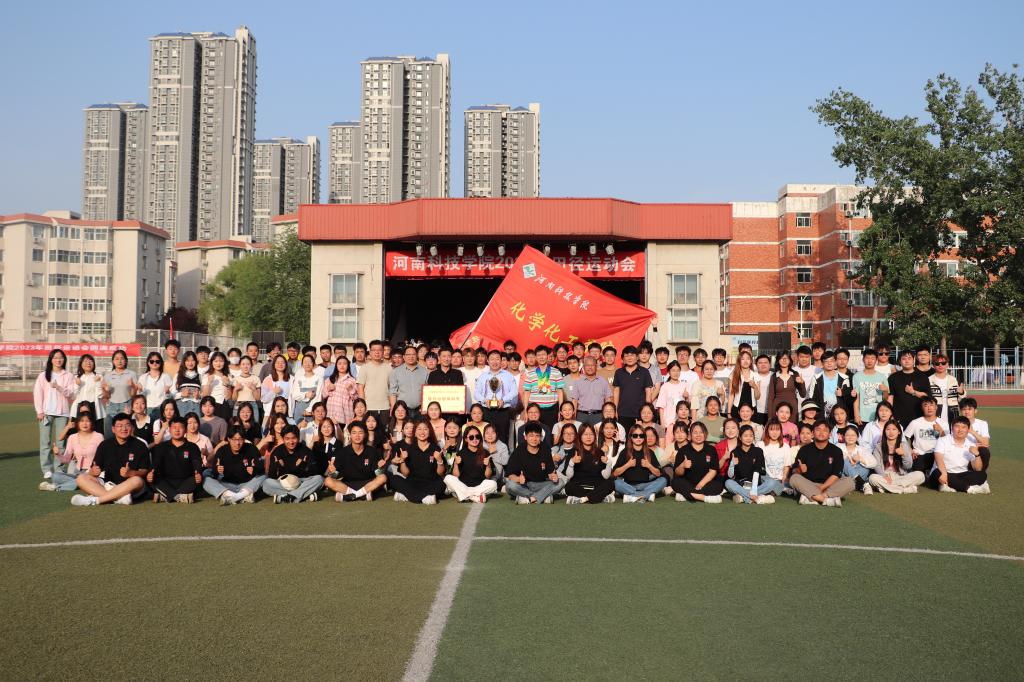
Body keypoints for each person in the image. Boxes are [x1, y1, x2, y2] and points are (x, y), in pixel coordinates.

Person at [70, 413, 150, 506]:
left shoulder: (140, 445)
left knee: (137, 480)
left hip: (129, 486)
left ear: (132, 427)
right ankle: (118, 499)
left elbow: (144, 471)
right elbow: (94, 469)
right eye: (119, 426)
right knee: (81, 478)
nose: (124, 429)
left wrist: (131, 473)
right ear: (113, 429)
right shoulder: (105, 445)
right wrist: (93, 471)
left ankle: (96, 500)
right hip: (108, 484)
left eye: (127, 425)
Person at [35, 349, 77, 484]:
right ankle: (46, 469)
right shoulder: (43, 376)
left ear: (64, 360)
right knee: (45, 442)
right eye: (55, 357)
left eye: (61, 358)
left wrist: (58, 387)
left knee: (61, 443)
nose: (58, 360)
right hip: (46, 413)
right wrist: (39, 411)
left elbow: (71, 394)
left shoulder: (68, 375)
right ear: (51, 360)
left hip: (62, 413)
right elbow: (38, 393)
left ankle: (59, 468)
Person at [790, 420, 855, 506]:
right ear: (813, 433)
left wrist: (822, 487)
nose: (821, 433)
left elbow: (836, 474)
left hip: (829, 486)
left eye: (825, 430)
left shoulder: (836, 451)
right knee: (794, 478)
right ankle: (825, 500)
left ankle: (814, 497)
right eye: (818, 430)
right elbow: (794, 471)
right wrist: (799, 470)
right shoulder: (804, 450)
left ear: (830, 434)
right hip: (809, 484)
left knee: (850, 482)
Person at [322, 420, 388, 502]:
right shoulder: (342, 452)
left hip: (367, 484)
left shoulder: (372, 451)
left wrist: (380, 468)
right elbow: (335, 476)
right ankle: (362, 495)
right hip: (347, 485)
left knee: (383, 477)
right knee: (328, 480)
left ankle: (350, 496)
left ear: (365, 435)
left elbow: (378, 474)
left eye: (360, 433)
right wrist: (332, 472)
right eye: (354, 433)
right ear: (350, 435)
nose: (357, 436)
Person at [504, 421, 565, 504]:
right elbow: (510, 476)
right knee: (510, 485)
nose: (534, 439)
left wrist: (553, 477)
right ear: (525, 437)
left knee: (560, 483)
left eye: (537, 436)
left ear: (540, 437)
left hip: (541, 484)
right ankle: (542, 497)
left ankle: (529, 498)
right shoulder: (519, 450)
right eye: (531, 436)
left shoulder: (545, 449)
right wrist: (518, 479)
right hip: (524, 485)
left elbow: (551, 473)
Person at [43, 412, 104, 492]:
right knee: (55, 476)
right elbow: (66, 460)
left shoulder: (98, 437)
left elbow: (104, 457)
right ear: (77, 423)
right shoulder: (72, 437)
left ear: (92, 423)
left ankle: (56, 487)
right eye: (82, 421)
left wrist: (93, 470)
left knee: (81, 480)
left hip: (91, 473)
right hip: (77, 472)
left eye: (87, 421)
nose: (84, 424)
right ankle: (78, 484)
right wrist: (57, 454)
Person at [204, 426, 267, 504]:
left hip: (247, 484)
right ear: (229, 439)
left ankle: (235, 497)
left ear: (244, 439)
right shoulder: (222, 450)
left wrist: (255, 469)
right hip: (226, 485)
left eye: (240, 439)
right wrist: (217, 469)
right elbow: (214, 470)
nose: (237, 443)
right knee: (206, 477)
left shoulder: (251, 448)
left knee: (263, 476)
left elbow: (261, 466)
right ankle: (235, 495)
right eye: (234, 439)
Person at [146, 417, 202, 503]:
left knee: (197, 479)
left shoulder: (192, 447)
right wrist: (150, 473)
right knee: (152, 478)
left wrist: (198, 473)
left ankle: (167, 495)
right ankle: (179, 497)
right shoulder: (161, 447)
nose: (177, 430)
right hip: (166, 481)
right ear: (169, 430)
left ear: (185, 430)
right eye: (174, 427)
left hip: (186, 481)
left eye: (180, 427)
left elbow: (196, 462)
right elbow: (156, 463)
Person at [390, 420, 447, 504]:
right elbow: (405, 473)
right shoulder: (409, 449)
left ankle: (408, 496)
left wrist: (439, 460)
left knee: (442, 484)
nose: (422, 432)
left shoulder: (435, 448)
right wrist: (402, 460)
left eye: (425, 429)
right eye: (419, 429)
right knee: (394, 479)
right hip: (412, 483)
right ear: (415, 433)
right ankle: (425, 497)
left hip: (430, 483)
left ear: (429, 432)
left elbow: (440, 473)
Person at [262, 426, 323, 503]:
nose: (291, 442)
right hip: (283, 483)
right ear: (283, 439)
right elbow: (272, 476)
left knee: (319, 479)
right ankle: (301, 495)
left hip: (301, 482)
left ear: (298, 438)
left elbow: (314, 473)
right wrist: (277, 466)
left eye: (293, 438)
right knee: (266, 484)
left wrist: (304, 466)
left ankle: (288, 497)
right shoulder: (277, 452)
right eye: (287, 439)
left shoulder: (306, 450)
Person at [930, 416, 990, 494]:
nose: (960, 430)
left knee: (982, 475)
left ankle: (949, 485)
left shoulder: (970, 444)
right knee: (937, 473)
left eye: (963, 427)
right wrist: (944, 474)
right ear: (952, 428)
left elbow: (977, 468)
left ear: (968, 430)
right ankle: (969, 489)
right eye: (957, 426)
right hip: (943, 472)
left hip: (961, 474)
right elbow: (939, 459)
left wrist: (977, 454)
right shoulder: (942, 440)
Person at [611, 425, 667, 503]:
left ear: (644, 437)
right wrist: (627, 465)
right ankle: (647, 495)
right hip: (628, 485)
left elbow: (658, 473)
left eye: (641, 436)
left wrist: (649, 466)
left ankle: (632, 496)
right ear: (631, 437)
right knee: (616, 483)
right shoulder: (625, 452)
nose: (638, 438)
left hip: (646, 485)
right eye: (635, 435)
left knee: (663, 480)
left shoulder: (650, 452)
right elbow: (615, 473)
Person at [443, 425, 498, 503]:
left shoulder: (485, 453)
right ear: (466, 439)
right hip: (463, 485)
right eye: (471, 437)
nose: (475, 439)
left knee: (493, 484)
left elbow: (488, 476)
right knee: (448, 478)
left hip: (480, 485)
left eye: (477, 436)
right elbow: (456, 476)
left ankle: (465, 495)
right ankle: (475, 497)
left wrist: (488, 465)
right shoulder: (460, 453)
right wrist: (456, 464)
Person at [671, 422, 724, 503]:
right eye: (695, 432)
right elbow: (678, 472)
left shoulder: (711, 449)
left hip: (706, 483)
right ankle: (704, 498)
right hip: (688, 482)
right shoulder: (683, 450)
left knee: (719, 484)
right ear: (690, 435)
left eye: (701, 432)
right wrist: (682, 465)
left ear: (705, 434)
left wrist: (700, 485)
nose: (698, 435)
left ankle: (686, 495)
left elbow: (713, 471)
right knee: (675, 482)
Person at [563, 423, 615, 504]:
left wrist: (608, 463)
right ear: (580, 436)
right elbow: (569, 476)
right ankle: (599, 497)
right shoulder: (573, 452)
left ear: (595, 436)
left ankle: (584, 499)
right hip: (579, 485)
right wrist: (572, 462)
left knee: (610, 484)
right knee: (569, 487)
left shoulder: (600, 452)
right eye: (585, 434)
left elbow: (605, 476)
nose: (588, 437)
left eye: (591, 434)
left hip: (596, 485)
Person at [868, 420, 925, 494]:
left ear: (899, 432)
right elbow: (877, 465)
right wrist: (884, 476)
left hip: (901, 476)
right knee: (872, 478)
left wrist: (903, 455)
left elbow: (908, 466)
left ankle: (887, 488)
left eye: (894, 429)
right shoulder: (879, 447)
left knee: (920, 475)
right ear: (884, 432)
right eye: (888, 429)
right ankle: (904, 490)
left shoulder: (904, 445)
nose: (891, 432)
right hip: (885, 476)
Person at [473, 349, 518, 442]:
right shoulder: (483, 376)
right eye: (492, 359)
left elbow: (514, 391)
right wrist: (485, 400)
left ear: (501, 361)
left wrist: (503, 400)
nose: (494, 362)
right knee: (486, 438)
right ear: (488, 361)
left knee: (502, 437)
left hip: (503, 411)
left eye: (497, 359)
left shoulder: (508, 375)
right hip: (486, 411)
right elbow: (476, 393)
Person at [724, 425, 776, 504]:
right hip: (740, 485)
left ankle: (744, 497)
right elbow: (731, 476)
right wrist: (732, 465)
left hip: (755, 486)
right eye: (745, 436)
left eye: (751, 436)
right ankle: (755, 498)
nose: (748, 438)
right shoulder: (735, 452)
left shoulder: (758, 451)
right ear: (740, 437)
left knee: (772, 482)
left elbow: (758, 471)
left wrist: (754, 490)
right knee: (728, 483)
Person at [520, 345, 565, 430]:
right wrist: (526, 410)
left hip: (552, 410)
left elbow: (560, 392)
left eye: (543, 354)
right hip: (535, 411)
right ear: (536, 357)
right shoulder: (530, 374)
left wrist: (560, 409)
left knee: (550, 434)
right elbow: (526, 393)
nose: (541, 357)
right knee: (535, 434)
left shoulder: (556, 372)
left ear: (547, 356)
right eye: (539, 355)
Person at [611, 346, 654, 430]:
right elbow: (616, 392)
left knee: (639, 436)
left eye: (632, 355)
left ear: (637, 357)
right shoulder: (619, 372)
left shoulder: (644, 372)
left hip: (640, 413)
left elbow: (648, 392)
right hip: (622, 413)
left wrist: (647, 411)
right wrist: (615, 410)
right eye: (626, 355)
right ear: (623, 359)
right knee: (623, 436)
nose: (629, 358)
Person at [888, 349, 930, 428]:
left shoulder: (922, 377)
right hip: (898, 417)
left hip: (918, 417)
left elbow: (927, 397)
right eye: (904, 359)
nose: (907, 361)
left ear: (914, 360)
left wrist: (913, 392)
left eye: (909, 358)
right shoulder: (893, 378)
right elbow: (890, 397)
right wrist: (890, 415)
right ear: (900, 361)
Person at [101, 349, 137, 436]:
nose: (119, 361)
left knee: (125, 433)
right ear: (113, 361)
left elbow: (134, 394)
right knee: (109, 434)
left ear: (126, 360)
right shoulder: (108, 376)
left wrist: (132, 385)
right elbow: (106, 396)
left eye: (122, 358)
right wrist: (104, 389)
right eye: (116, 359)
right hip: (111, 406)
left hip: (126, 405)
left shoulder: (131, 374)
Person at [570, 356, 613, 429]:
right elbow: (574, 401)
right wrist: (573, 417)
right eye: (587, 365)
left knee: (598, 434)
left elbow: (608, 399)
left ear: (596, 366)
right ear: (583, 367)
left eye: (592, 365)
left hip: (598, 415)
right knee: (580, 434)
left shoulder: (603, 381)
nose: (590, 367)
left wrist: (608, 415)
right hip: (581, 415)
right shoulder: (578, 382)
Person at [357, 339, 392, 425]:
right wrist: (363, 406)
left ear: (383, 352)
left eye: (379, 350)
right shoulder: (364, 368)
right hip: (369, 407)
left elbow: (391, 388)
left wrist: (391, 405)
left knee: (384, 430)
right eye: (374, 350)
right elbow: (360, 388)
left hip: (385, 407)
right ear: (370, 352)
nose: (377, 352)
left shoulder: (389, 368)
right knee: (370, 430)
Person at [851, 348, 890, 426]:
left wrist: (885, 390)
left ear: (876, 360)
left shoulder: (882, 377)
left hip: (878, 417)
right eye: (867, 358)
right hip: (862, 417)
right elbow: (856, 398)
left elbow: (885, 399)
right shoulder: (857, 376)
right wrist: (856, 414)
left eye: (872, 358)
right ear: (863, 360)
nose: (869, 361)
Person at [389, 345, 428, 417]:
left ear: (417, 356)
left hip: (420, 410)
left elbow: (427, 392)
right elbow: (392, 392)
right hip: (402, 409)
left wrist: (425, 407)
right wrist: (394, 408)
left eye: (413, 354)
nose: (411, 357)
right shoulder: (396, 371)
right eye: (408, 355)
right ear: (404, 357)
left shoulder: (424, 371)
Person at [810, 351, 852, 416]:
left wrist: (843, 393)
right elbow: (811, 397)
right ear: (822, 363)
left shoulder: (844, 378)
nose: (829, 363)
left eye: (831, 361)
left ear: (835, 362)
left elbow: (848, 398)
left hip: (839, 415)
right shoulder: (816, 378)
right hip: (821, 414)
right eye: (826, 361)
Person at [766, 351, 806, 420]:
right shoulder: (774, 376)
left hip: (792, 408)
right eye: (782, 358)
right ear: (778, 360)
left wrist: (802, 383)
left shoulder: (795, 374)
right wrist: (770, 416)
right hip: (777, 408)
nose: (784, 360)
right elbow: (770, 397)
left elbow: (803, 394)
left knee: (791, 426)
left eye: (786, 358)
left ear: (790, 360)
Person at [838, 424, 876, 493]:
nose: (850, 437)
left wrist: (860, 460)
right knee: (844, 461)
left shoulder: (861, 449)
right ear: (844, 436)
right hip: (843, 474)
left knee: (865, 469)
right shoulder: (839, 446)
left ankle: (851, 485)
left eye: (853, 435)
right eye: (847, 435)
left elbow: (874, 463)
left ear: (857, 437)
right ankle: (862, 484)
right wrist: (846, 459)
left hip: (859, 472)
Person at [929, 354, 962, 431]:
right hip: (935, 412)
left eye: (943, 363)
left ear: (947, 364)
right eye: (937, 364)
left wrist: (961, 393)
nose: (940, 365)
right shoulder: (929, 380)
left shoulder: (954, 380)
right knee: (935, 434)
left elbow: (961, 399)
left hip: (952, 412)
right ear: (933, 365)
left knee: (952, 434)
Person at [70, 354, 106, 424]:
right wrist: (77, 385)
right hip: (78, 409)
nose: (88, 363)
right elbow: (73, 396)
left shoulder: (98, 376)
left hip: (95, 410)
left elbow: (100, 395)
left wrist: (98, 382)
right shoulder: (77, 377)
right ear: (81, 364)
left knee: (95, 430)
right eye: (85, 361)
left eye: (91, 361)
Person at [138, 352, 174, 420]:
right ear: (148, 363)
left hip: (162, 408)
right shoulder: (143, 377)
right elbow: (140, 396)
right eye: (152, 361)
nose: (154, 363)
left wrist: (168, 392)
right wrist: (140, 391)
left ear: (161, 363)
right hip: (148, 409)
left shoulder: (166, 377)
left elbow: (171, 396)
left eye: (157, 361)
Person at [322, 355, 358, 426]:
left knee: (344, 432)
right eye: (339, 363)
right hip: (331, 413)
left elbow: (356, 398)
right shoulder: (330, 379)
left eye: (344, 363)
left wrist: (351, 390)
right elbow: (323, 395)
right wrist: (328, 389)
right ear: (336, 366)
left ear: (348, 366)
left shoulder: (352, 380)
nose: (342, 366)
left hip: (345, 415)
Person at [959, 398, 991, 470]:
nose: (967, 412)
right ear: (961, 411)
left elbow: (986, 443)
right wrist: (974, 445)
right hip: (963, 451)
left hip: (976, 452)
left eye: (969, 409)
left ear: (975, 411)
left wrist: (972, 432)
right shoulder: (957, 424)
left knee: (984, 450)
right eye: (964, 409)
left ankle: (981, 474)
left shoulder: (982, 423)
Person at [202, 351, 235, 421]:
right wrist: (209, 382)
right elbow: (205, 395)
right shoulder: (207, 375)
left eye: (221, 361)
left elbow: (229, 397)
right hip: (211, 406)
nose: (218, 363)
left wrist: (227, 385)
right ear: (212, 362)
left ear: (225, 362)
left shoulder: (228, 376)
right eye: (216, 361)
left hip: (224, 406)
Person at [727, 351, 761, 418]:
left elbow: (757, 397)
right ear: (739, 361)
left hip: (751, 410)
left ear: (751, 361)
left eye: (748, 358)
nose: (745, 361)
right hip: (736, 409)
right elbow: (731, 395)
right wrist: (729, 413)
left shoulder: (756, 376)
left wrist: (755, 386)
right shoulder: (734, 375)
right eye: (742, 359)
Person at [261, 355, 292, 424]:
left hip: (287, 414)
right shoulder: (268, 379)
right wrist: (273, 392)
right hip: (271, 415)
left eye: (282, 362)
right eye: (277, 362)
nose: (280, 364)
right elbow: (263, 399)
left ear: (286, 365)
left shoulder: (291, 379)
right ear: (274, 365)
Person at [174, 351, 203, 418]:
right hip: (182, 406)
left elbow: (203, 394)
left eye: (192, 360)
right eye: (187, 360)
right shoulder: (178, 375)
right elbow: (172, 393)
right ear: (184, 362)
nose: (190, 363)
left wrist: (199, 395)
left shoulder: (200, 376)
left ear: (196, 361)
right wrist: (181, 394)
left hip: (196, 406)